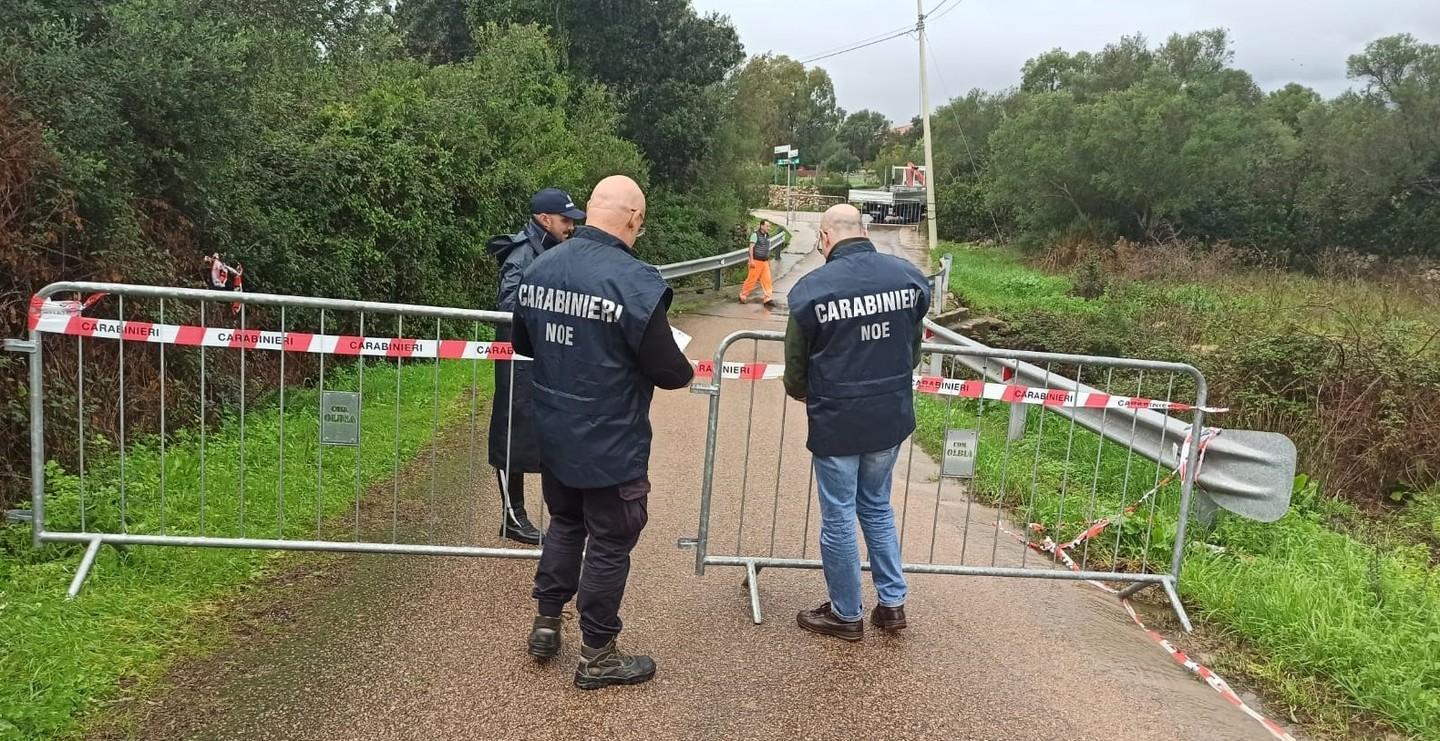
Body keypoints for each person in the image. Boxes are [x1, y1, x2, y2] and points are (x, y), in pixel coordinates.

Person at [512, 175, 694, 689]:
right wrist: (682, 368)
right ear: (634, 219)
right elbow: (670, 371)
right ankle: (598, 654)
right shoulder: (636, 282)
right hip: (612, 440)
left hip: (555, 429)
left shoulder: (540, 267)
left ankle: (546, 622)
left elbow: (525, 342)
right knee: (611, 541)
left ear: (591, 211)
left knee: (567, 524)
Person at [782, 203, 930, 642]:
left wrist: (801, 390)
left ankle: (846, 613)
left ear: (825, 239)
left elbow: (796, 365)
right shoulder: (907, 278)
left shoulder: (811, 290)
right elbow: (913, 348)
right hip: (889, 414)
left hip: (838, 419)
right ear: (862, 231)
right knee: (878, 506)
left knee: (840, 515)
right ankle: (892, 603)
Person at [486, 188, 586, 545]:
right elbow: (508, 306)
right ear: (544, 219)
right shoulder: (522, 254)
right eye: (565, 220)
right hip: (518, 358)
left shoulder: (551, 249)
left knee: (545, 431)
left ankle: (559, 517)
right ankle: (513, 517)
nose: (570, 227)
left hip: (544, 358)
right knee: (512, 433)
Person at [739, 219, 775, 307]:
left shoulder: (767, 236)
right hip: (756, 261)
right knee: (752, 279)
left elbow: (767, 249)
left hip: (764, 261)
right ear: (762, 226)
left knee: (767, 280)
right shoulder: (755, 235)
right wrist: (751, 260)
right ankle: (743, 295)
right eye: (767, 226)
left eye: (769, 226)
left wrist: (768, 260)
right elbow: (751, 248)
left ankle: (767, 298)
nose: (768, 228)